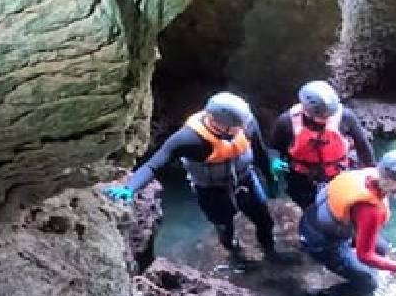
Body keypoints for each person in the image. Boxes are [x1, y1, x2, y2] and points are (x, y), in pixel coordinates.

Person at [104, 91, 294, 263]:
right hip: (212, 190)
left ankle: (270, 253)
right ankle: (235, 253)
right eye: (237, 127)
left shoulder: (246, 123)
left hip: (246, 179)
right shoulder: (189, 139)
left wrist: (270, 178)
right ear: (217, 123)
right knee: (224, 225)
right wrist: (130, 188)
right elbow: (154, 165)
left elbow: (259, 152)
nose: (243, 129)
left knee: (264, 220)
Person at [298, 149, 396, 296]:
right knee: (369, 283)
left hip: (312, 221)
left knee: (382, 248)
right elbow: (365, 256)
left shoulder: (370, 174)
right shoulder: (371, 210)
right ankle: (321, 295)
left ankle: (351, 268)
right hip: (322, 242)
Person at [269, 80, 376, 209]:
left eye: (330, 115)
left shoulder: (345, 117)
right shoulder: (286, 122)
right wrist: (275, 160)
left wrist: (371, 172)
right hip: (301, 177)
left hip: (337, 174)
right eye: (322, 117)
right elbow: (275, 147)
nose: (327, 119)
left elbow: (363, 146)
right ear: (305, 110)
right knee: (307, 207)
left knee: (340, 207)